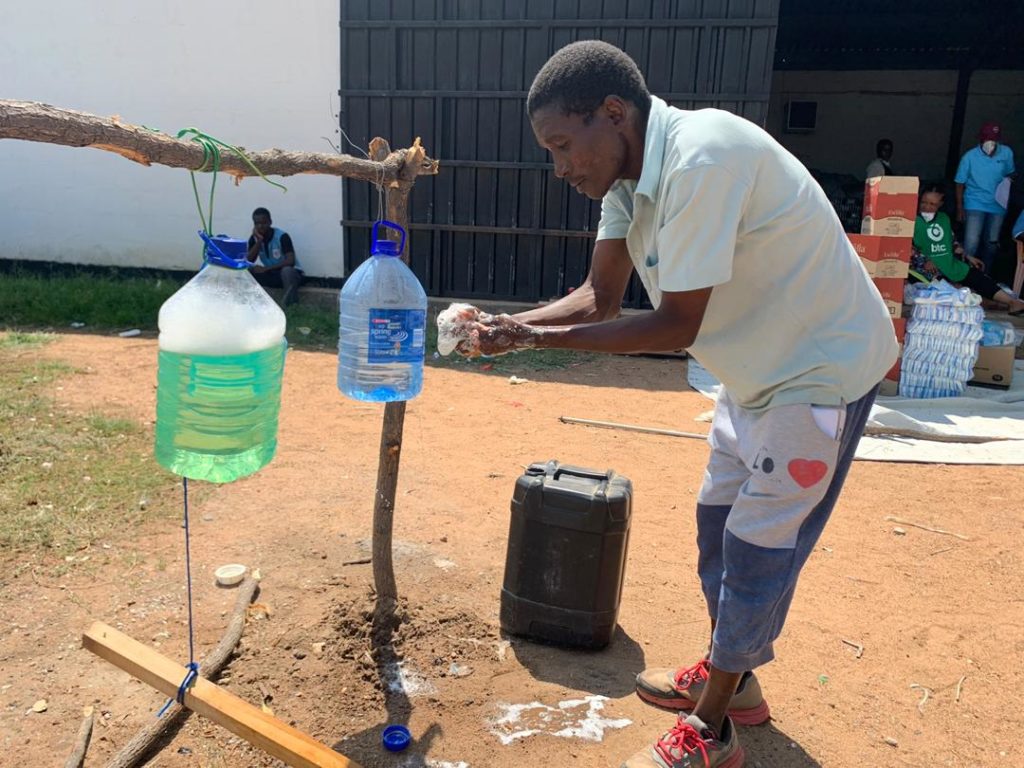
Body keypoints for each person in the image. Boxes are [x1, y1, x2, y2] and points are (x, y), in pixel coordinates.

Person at [450, 41, 899, 767]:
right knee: (718, 527)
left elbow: (674, 325)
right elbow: (599, 298)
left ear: (614, 113)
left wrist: (538, 343)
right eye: (551, 152)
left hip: (820, 370)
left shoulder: (700, 160)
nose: (560, 167)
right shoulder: (628, 182)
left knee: (757, 547)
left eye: (564, 146)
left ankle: (712, 730)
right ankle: (737, 679)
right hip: (753, 370)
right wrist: (510, 329)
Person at [914, 182, 1024, 314]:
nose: (927, 207)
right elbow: (907, 247)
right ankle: (988, 303)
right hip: (926, 268)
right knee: (952, 290)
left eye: (933, 204)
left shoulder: (943, 218)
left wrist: (967, 256)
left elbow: (951, 242)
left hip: (949, 263)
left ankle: (1013, 302)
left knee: (976, 276)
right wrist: (924, 260)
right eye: (924, 202)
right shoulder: (912, 220)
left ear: (941, 204)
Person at [955, 122, 1015, 275]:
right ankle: (966, 275)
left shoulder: (1006, 153)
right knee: (971, 242)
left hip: (998, 205)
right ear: (980, 140)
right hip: (974, 202)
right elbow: (959, 183)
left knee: (991, 243)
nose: (991, 144)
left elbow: (1011, 172)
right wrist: (960, 208)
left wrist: (1008, 181)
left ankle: (985, 276)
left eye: (994, 140)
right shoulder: (969, 157)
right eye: (987, 140)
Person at [246, 207, 303, 306]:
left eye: (263, 223)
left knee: (287, 271)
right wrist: (259, 241)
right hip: (271, 274)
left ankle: (291, 305)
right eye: (257, 224)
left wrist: (266, 269)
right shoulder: (254, 239)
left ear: (270, 222)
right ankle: (249, 303)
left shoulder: (282, 236)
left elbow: (290, 261)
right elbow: (248, 260)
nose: (260, 226)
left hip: (290, 275)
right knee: (246, 270)